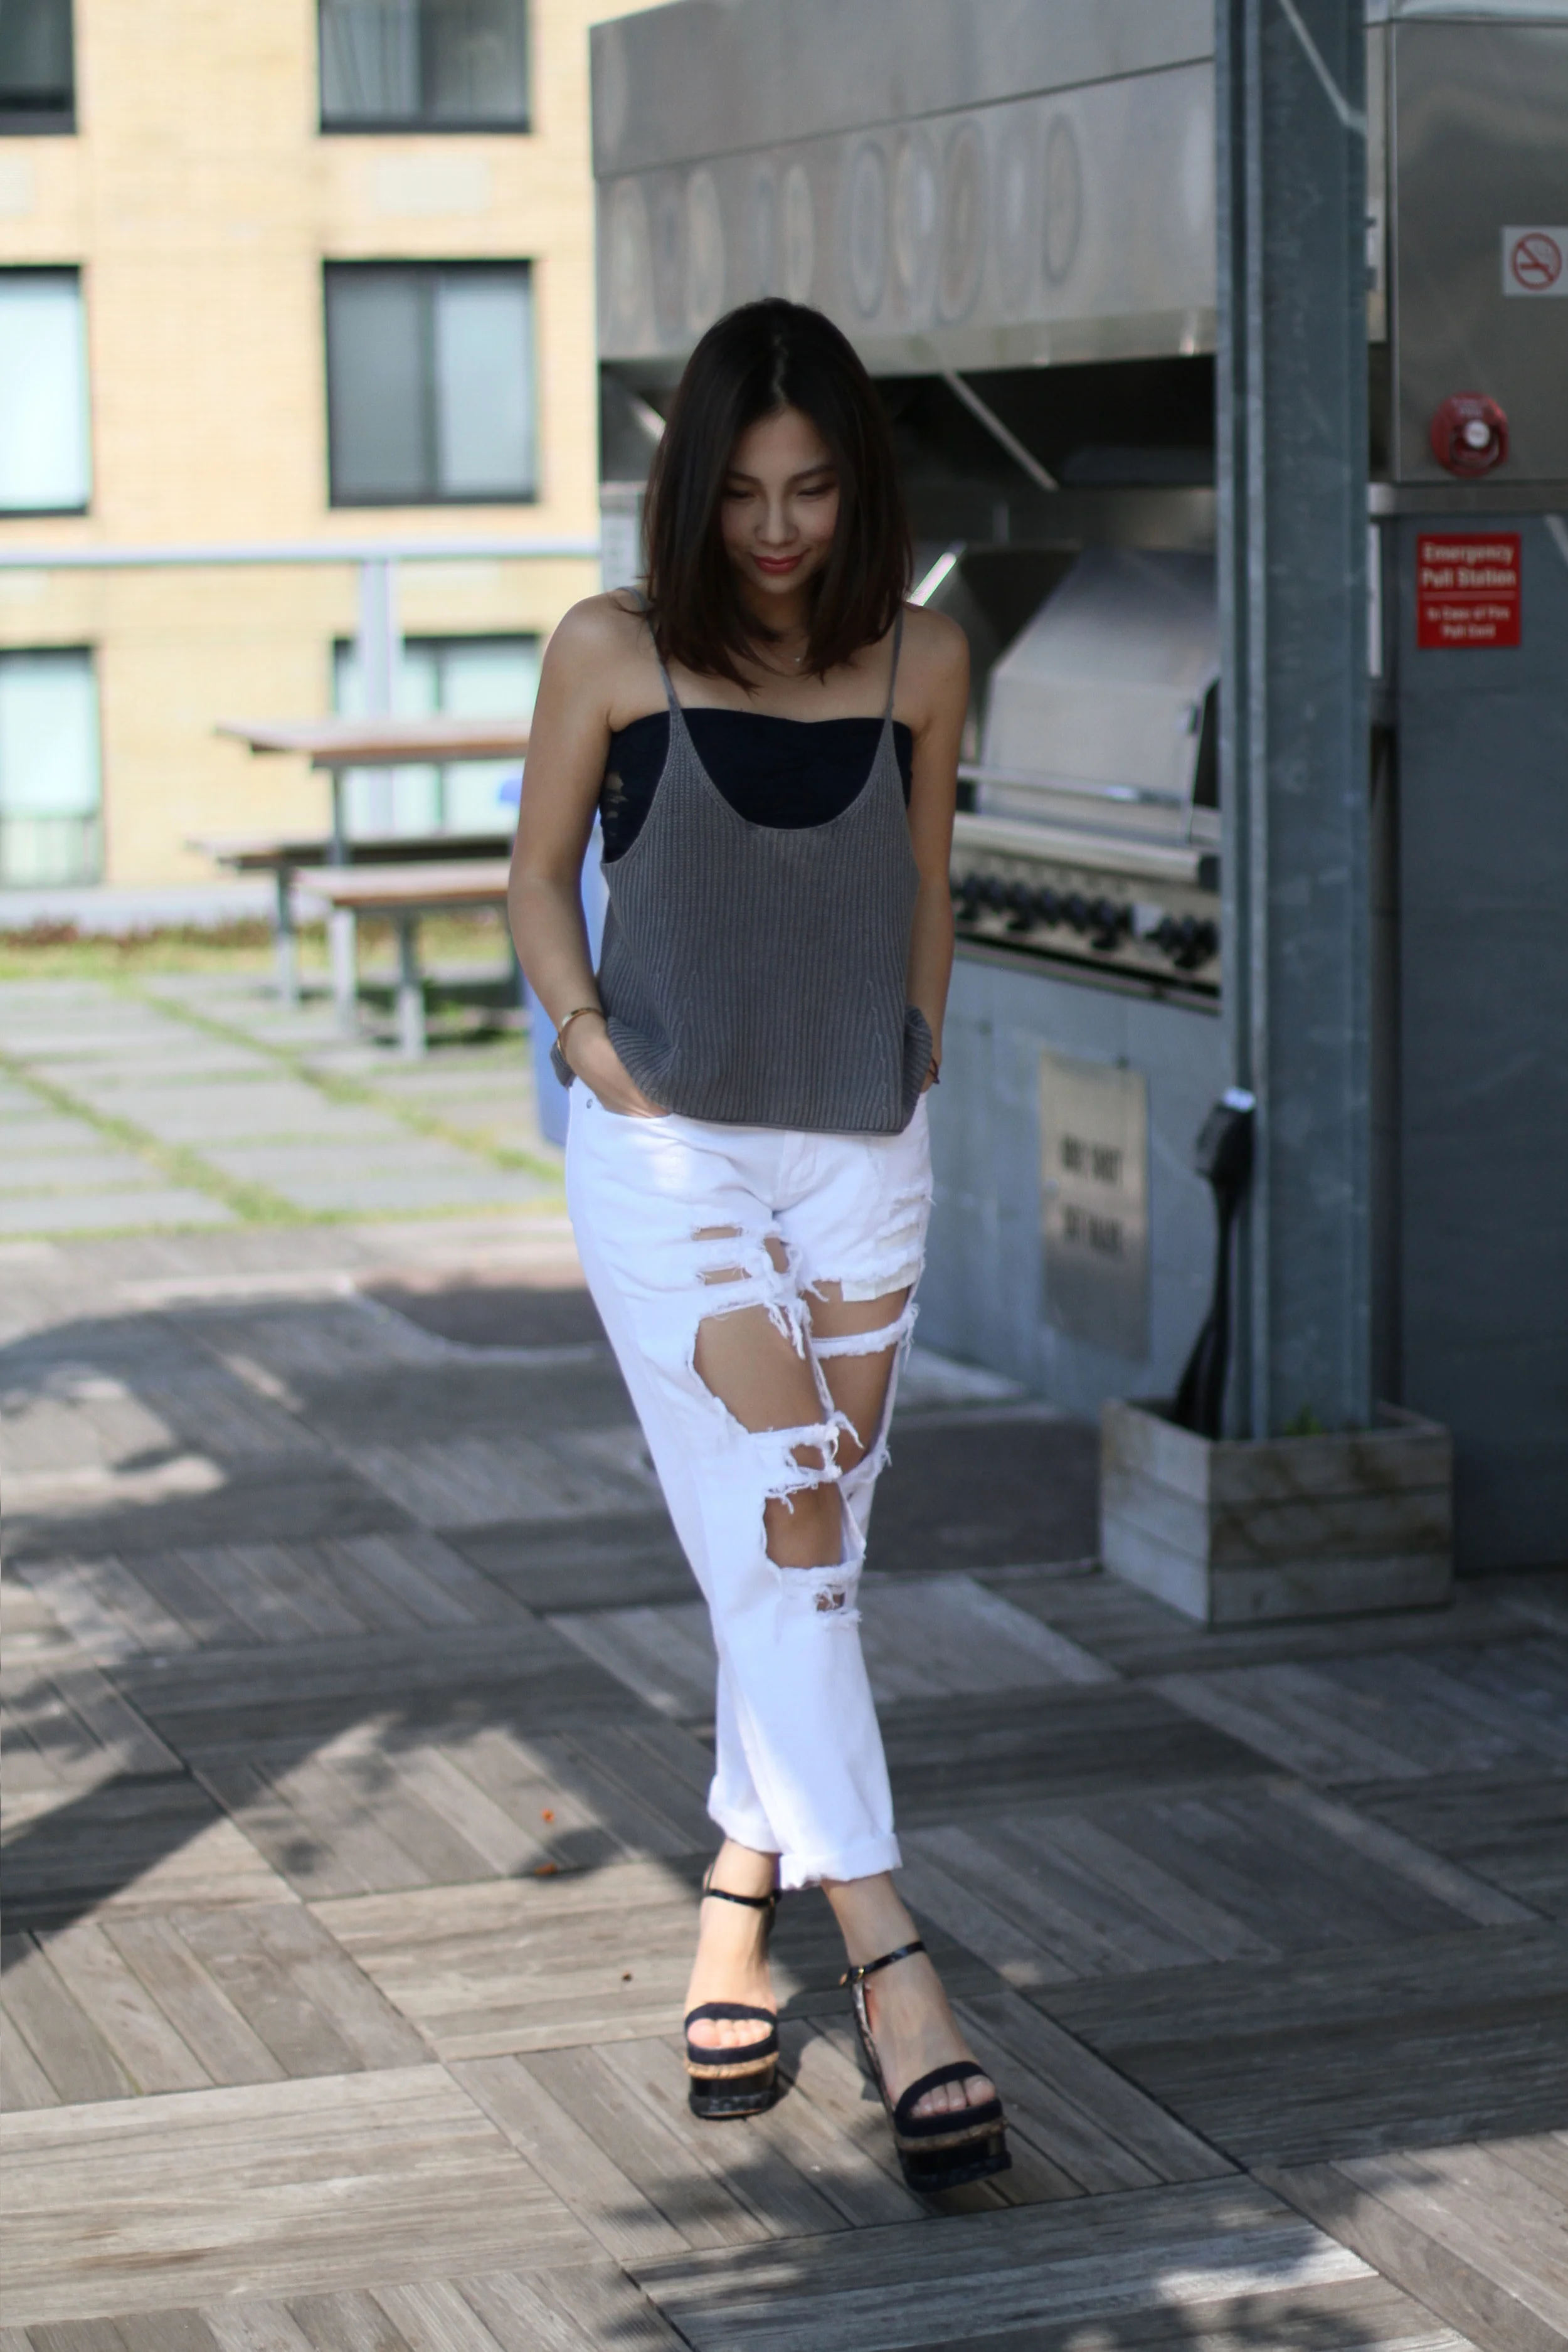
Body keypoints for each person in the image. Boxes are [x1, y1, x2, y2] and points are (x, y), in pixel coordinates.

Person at [509, 299, 1007, 2194]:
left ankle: (735, 1899)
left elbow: (924, 874)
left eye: (810, 492)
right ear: (688, 493)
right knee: (789, 1520)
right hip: (671, 1157)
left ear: (857, 491)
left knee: (804, 1552)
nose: (778, 530)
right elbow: (535, 870)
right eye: (740, 495)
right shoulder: (612, 652)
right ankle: (894, 1964)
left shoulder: (927, 657)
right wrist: (586, 1043)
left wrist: (918, 1045)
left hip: (862, 1149)